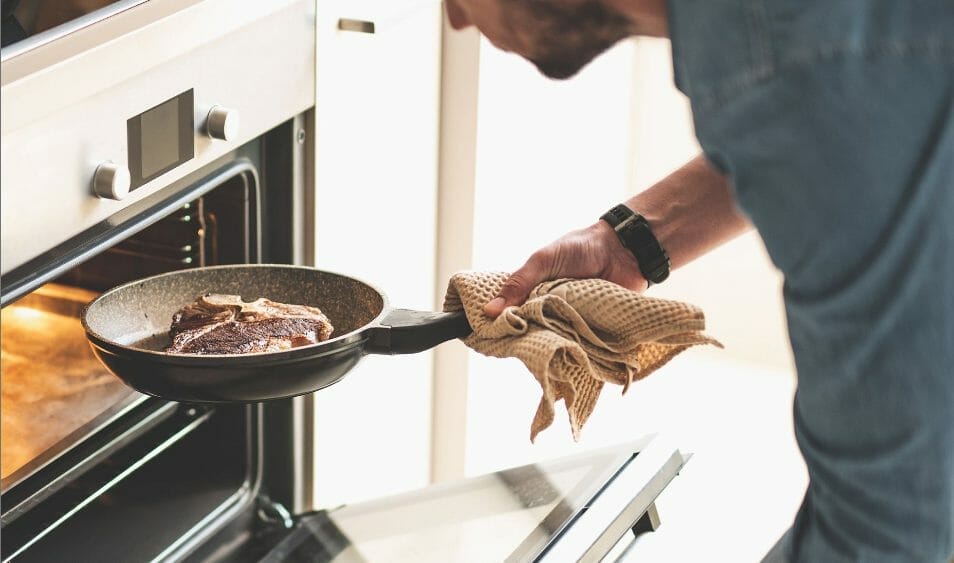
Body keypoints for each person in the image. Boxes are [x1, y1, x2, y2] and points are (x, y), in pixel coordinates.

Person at [445, 0, 954, 561]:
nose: (455, 19)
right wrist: (628, 242)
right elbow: (855, 112)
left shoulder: (795, 56)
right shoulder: (796, 41)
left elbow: (892, 534)